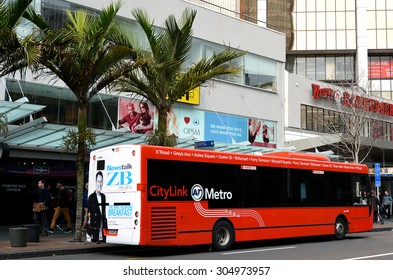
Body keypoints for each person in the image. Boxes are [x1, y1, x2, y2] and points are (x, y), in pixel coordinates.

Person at [88, 171, 107, 244]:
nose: (99, 184)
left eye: (101, 181)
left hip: (102, 218)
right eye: (98, 181)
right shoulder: (91, 197)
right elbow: (90, 208)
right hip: (95, 218)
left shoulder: (103, 196)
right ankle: (96, 238)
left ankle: (101, 238)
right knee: (96, 227)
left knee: (101, 227)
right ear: (95, 182)